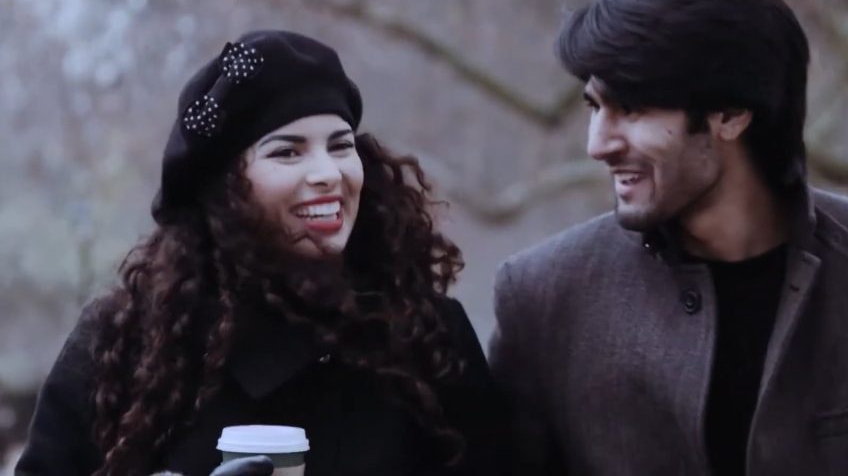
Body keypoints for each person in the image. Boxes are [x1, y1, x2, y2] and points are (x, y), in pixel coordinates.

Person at [488, 0, 848, 475]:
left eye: (631, 107)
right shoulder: (542, 296)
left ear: (730, 113)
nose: (598, 143)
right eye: (594, 106)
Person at [17, 30, 503, 476]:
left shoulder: (426, 335)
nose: (328, 173)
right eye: (287, 152)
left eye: (340, 146)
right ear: (226, 190)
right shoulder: (125, 343)